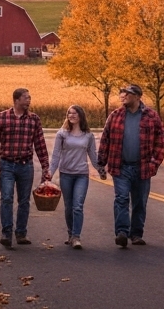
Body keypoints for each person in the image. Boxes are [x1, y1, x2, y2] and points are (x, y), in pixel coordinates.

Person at [98, 83, 164, 249]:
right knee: (121, 199)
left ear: (137, 96)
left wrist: (154, 162)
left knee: (139, 202)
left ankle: (136, 234)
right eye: (122, 93)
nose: (123, 96)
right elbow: (105, 139)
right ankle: (121, 232)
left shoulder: (151, 116)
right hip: (120, 167)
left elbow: (160, 141)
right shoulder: (115, 115)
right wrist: (101, 162)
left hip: (143, 167)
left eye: (127, 94)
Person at [0, 88, 52, 249]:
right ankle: (6, 233)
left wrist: (45, 166)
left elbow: (40, 144)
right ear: (16, 100)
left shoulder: (34, 119)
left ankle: (21, 233)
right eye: (26, 98)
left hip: (26, 165)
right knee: (6, 197)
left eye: (30, 97)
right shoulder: (1, 118)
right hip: (7, 164)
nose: (29, 100)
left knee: (24, 201)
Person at [52, 105, 105, 249]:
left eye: (74, 113)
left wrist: (100, 170)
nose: (71, 115)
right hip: (66, 174)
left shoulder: (88, 135)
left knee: (78, 206)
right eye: (69, 113)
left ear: (80, 115)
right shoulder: (62, 134)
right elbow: (56, 155)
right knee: (69, 206)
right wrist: (49, 174)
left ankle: (76, 236)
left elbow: (93, 155)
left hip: (81, 174)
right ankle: (70, 234)